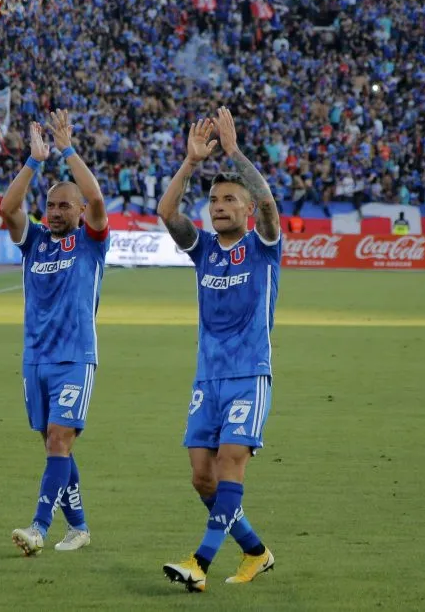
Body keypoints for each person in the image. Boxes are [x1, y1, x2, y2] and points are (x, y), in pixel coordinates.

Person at [157, 108, 281, 593]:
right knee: (202, 478)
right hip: (207, 377)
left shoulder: (263, 245)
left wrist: (233, 155)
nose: (219, 206)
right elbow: (168, 213)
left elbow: (270, 204)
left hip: (249, 372)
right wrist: (190, 164)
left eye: (230, 199)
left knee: (231, 460)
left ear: (246, 209)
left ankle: (200, 561)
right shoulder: (204, 249)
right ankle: (256, 552)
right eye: (213, 200)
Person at [0, 110, 110, 557]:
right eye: (52, 205)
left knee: (60, 439)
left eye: (66, 205)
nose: (57, 211)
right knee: (53, 446)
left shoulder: (91, 241)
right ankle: (79, 526)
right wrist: (34, 161)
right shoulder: (36, 241)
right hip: (35, 358)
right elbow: (8, 209)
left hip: (75, 356)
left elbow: (98, 200)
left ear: (79, 211)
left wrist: (67, 150)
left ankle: (39, 528)